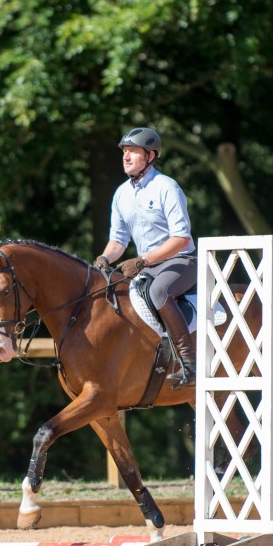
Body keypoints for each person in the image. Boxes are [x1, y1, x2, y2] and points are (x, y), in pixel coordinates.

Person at [92, 127, 197, 388]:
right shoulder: (121, 193)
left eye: (132, 152)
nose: (126, 157)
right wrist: (104, 258)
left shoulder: (166, 187)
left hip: (181, 261)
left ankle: (189, 363)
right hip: (148, 266)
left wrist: (142, 261)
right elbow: (118, 241)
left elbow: (181, 238)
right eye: (124, 152)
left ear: (150, 156)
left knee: (159, 292)